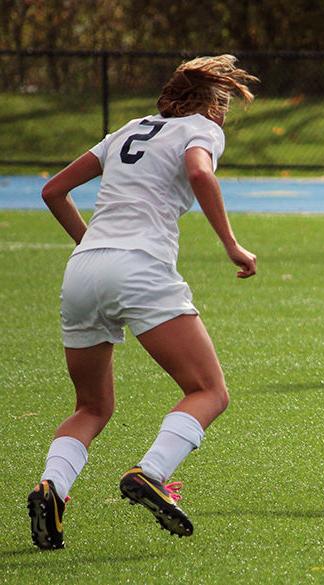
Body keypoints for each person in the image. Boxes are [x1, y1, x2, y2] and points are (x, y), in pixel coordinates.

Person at [26, 55, 258, 549]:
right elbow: (199, 174)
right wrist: (232, 245)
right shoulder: (203, 129)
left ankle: (53, 487)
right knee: (209, 391)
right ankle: (151, 472)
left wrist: (92, 246)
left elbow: (53, 190)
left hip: (83, 270)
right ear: (214, 104)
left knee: (91, 406)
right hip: (141, 266)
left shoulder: (128, 128)